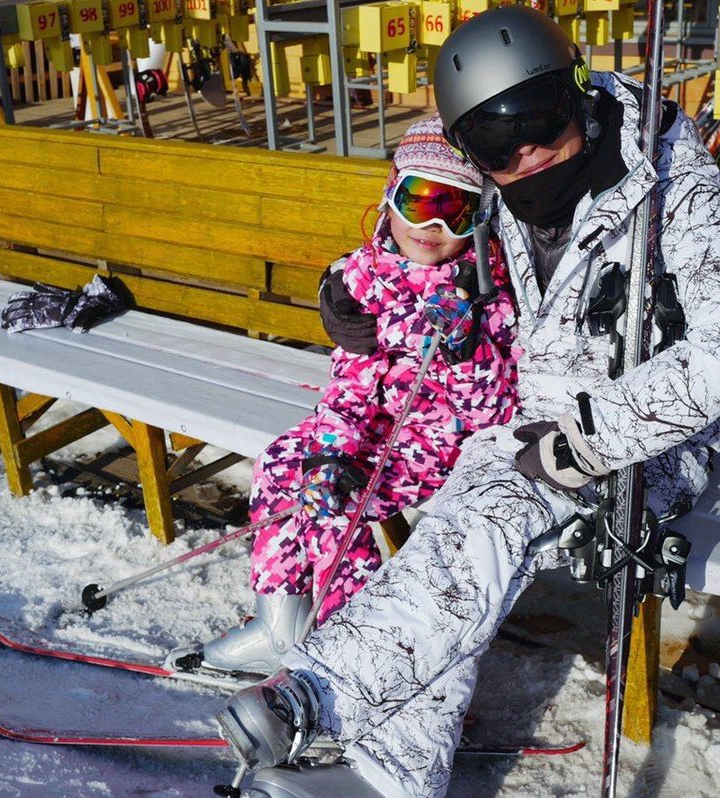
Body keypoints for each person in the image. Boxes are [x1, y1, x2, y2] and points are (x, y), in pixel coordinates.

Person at [214, 7, 720, 797]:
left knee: (482, 521)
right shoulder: (494, 166)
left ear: (576, 94)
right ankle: (391, 772)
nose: (525, 155)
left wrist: (589, 438)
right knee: (456, 541)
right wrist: (346, 301)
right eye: (493, 146)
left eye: (542, 123)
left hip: (643, 439)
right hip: (522, 419)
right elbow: (409, 213)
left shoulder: (669, 185)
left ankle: (318, 697)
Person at [175, 116, 520, 675]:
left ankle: (343, 652)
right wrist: (331, 453)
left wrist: (466, 349)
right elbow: (350, 388)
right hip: (369, 429)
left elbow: (491, 411)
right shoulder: (363, 280)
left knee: (338, 510)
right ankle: (279, 624)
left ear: (479, 219)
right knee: (289, 464)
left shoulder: (486, 296)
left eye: (452, 209)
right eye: (417, 199)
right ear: (389, 197)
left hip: (437, 445)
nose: (429, 224)